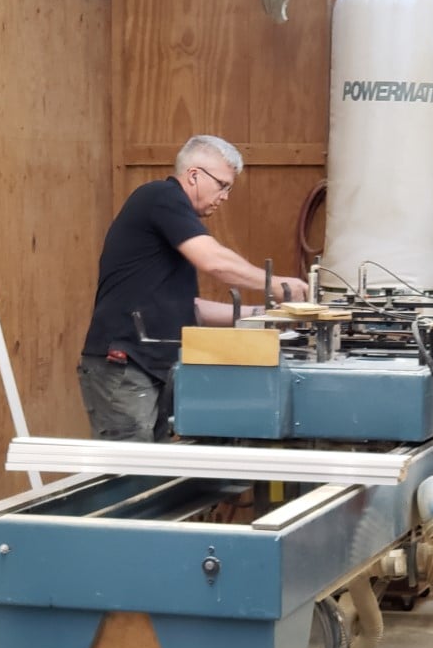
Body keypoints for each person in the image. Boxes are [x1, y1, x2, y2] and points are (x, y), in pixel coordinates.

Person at [78, 134, 308, 442]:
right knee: (131, 466)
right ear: (194, 175)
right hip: (124, 364)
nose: (225, 196)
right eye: (222, 185)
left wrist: (266, 315)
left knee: (158, 466)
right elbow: (215, 262)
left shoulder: (171, 221)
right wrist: (276, 284)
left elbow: (190, 308)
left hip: (152, 368)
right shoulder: (161, 196)